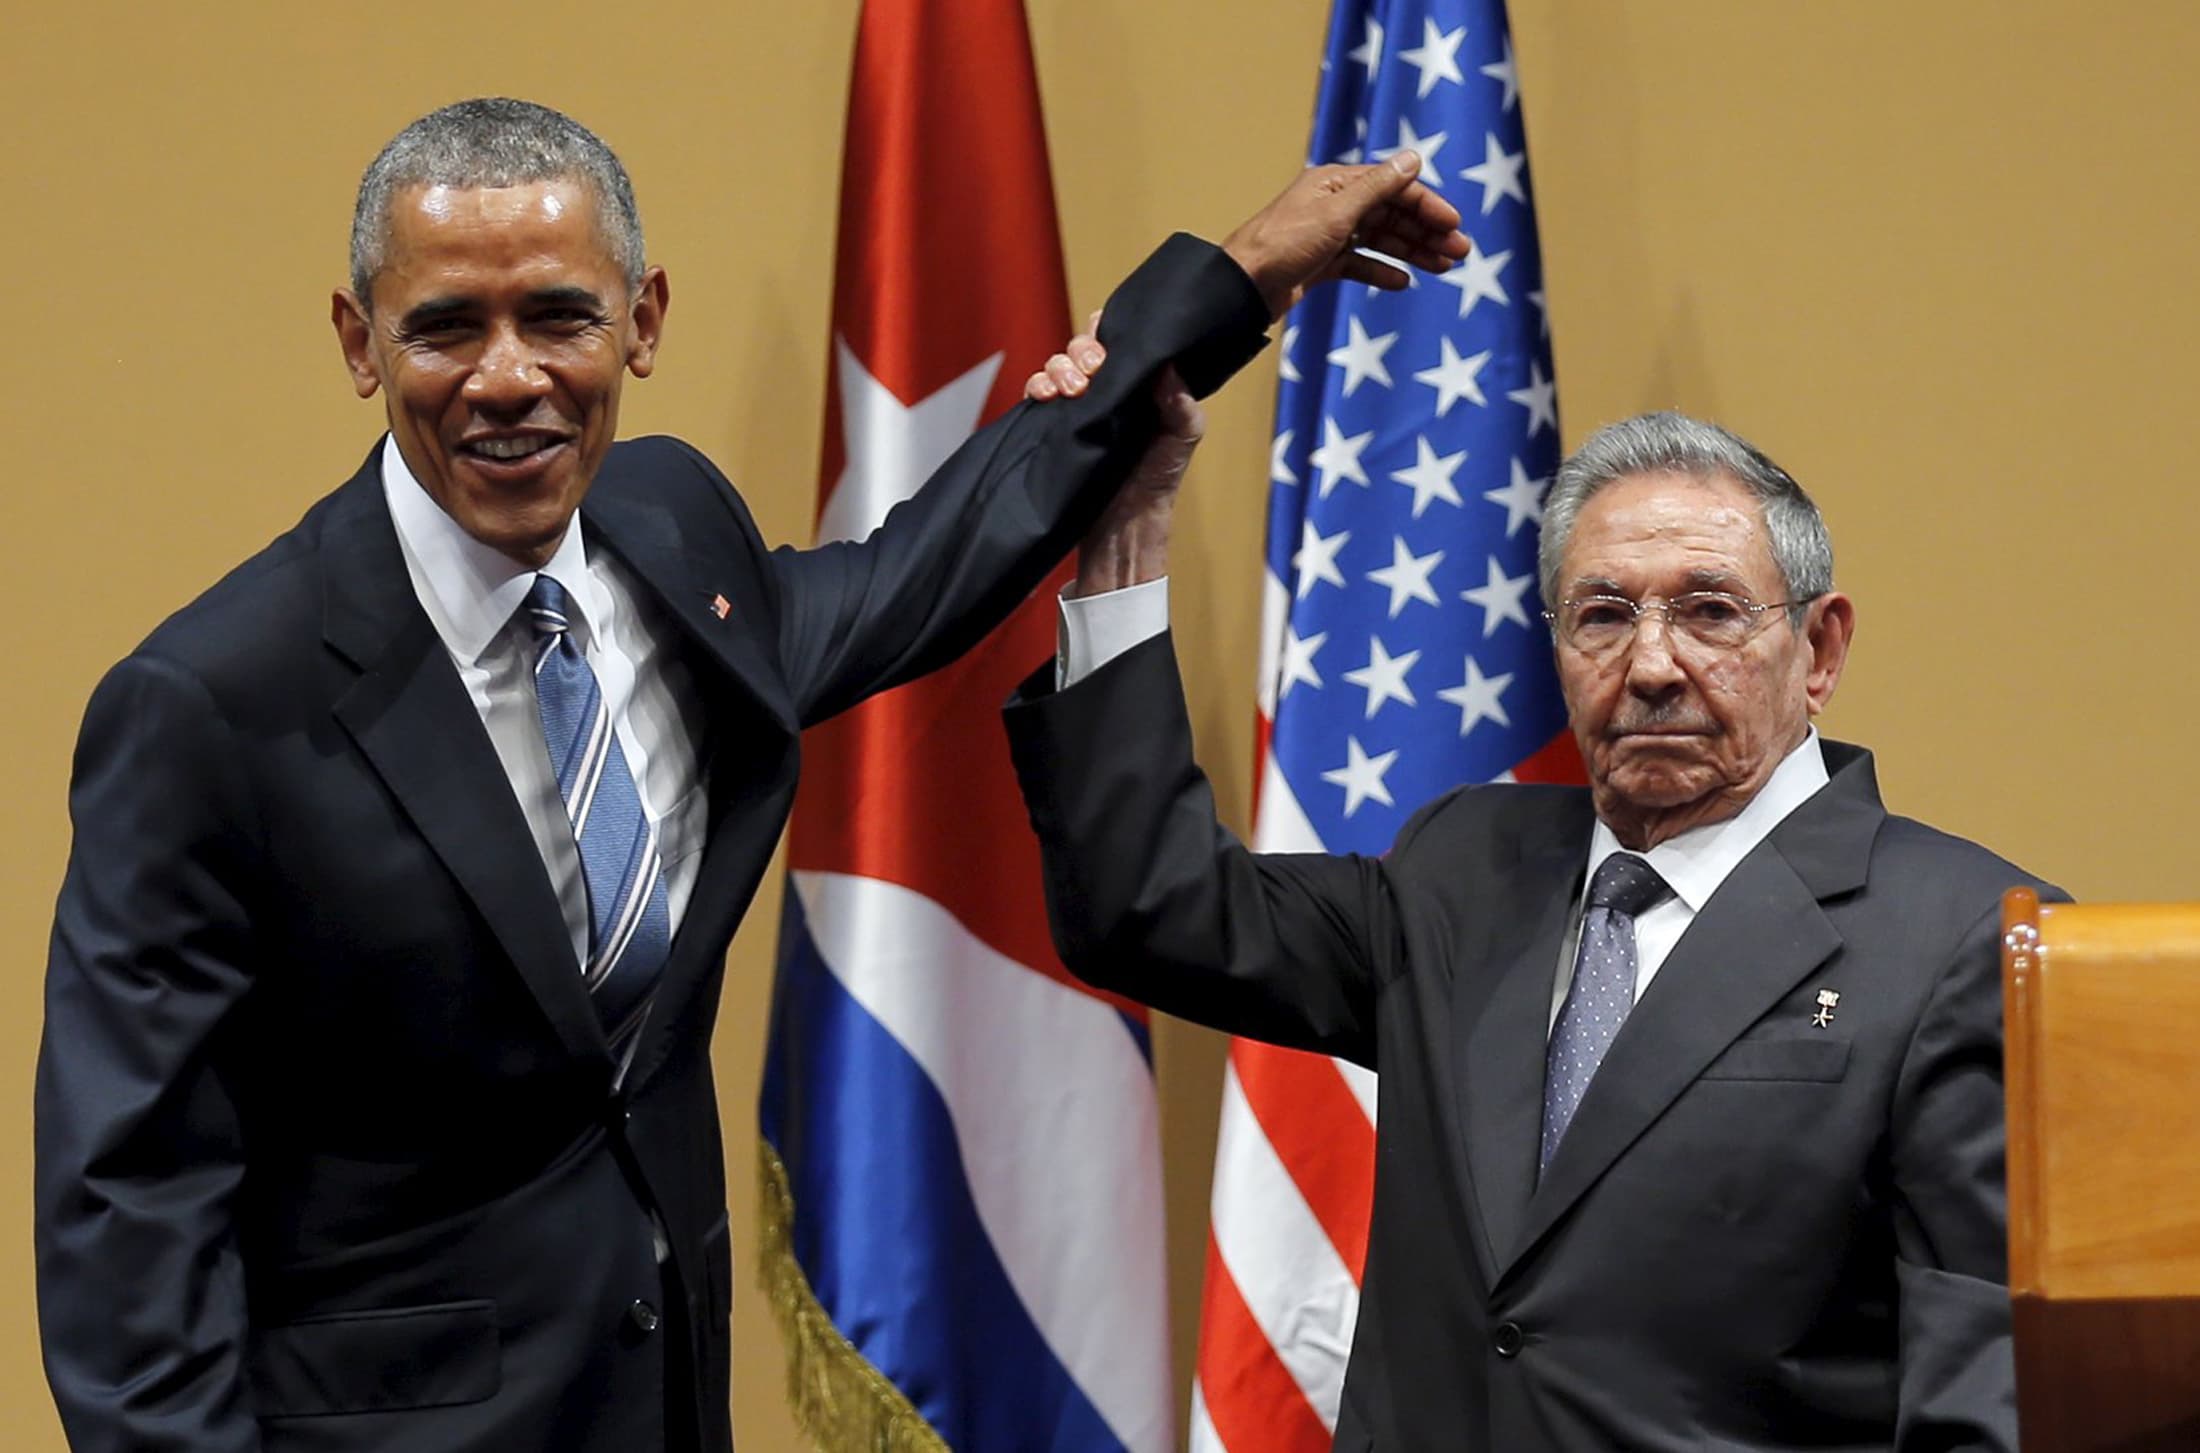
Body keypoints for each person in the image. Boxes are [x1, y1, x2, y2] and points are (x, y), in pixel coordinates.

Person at [33, 97, 1468, 1453]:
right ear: (359, 341)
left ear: (642, 320)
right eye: (445, 329)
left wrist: (1225, 285)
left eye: (559, 316)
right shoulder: (212, 702)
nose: (509, 377)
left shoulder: (672, 538)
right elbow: (127, 1212)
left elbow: (927, 567)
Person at [1003, 363, 2059, 1449]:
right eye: (1602, 615)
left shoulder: (1968, 936)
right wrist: (1127, 532)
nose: (1651, 664)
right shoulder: (1462, 867)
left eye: (1709, 612)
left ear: (1820, 648)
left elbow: (1990, 1397)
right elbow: (1148, 904)